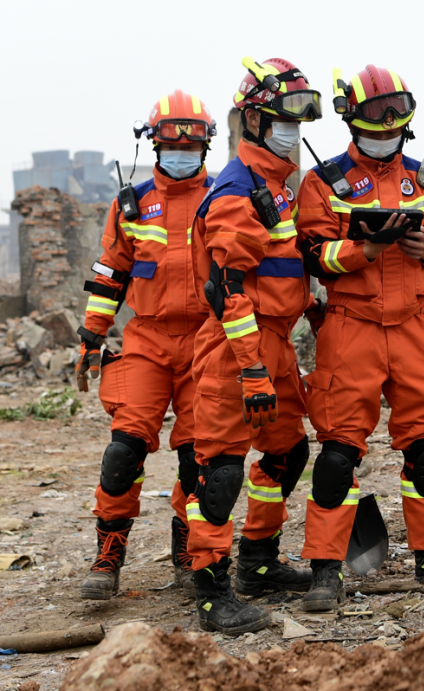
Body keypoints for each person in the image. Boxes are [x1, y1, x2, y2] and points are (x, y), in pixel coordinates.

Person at [294, 64, 424, 604]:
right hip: (351, 326)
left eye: (396, 111)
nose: (387, 123)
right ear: (350, 117)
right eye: (374, 113)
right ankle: (325, 568)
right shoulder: (323, 182)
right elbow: (315, 256)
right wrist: (364, 249)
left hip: (415, 324)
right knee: (339, 453)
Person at [186, 57, 323, 634]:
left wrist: (314, 312)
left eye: (301, 116)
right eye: (282, 117)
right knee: (219, 469)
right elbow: (228, 293)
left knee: (288, 452)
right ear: (254, 122)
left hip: (275, 344)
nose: (294, 128)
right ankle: (213, 591)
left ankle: (258, 560)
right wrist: (250, 371)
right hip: (235, 350)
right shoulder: (239, 190)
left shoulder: (276, 187)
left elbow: (281, 270)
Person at [75, 90, 215, 601]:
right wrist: (93, 334)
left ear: (206, 145)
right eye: (171, 141)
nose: (181, 150)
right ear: (152, 143)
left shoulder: (223, 196)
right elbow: (111, 273)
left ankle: (190, 548)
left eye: (192, 141)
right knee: (123, 450)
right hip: (148, 339)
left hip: (208, 340)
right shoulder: (131, 204)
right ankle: (108, 554)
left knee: (199, 457)